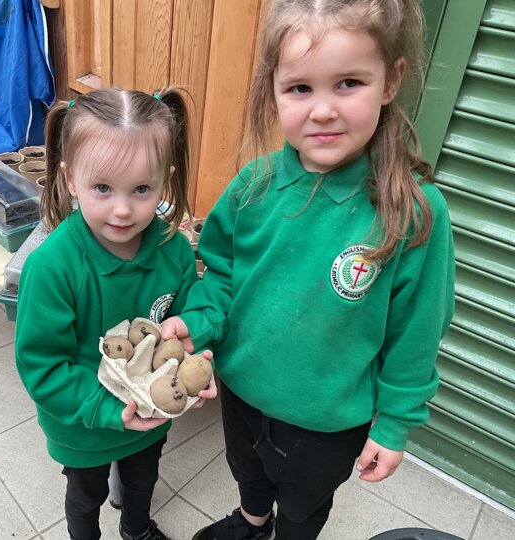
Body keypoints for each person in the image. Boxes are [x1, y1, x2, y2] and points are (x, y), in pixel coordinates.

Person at [161, 1, 456, 539]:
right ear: (272, 90)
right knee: (247, 471)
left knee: (303, 507)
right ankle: (253, 521)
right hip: (241, 390)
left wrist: (394, 423)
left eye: (348, 83)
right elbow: (221, 276)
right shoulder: (253, 185)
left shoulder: (413, 211)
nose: (322, 111)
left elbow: (416, 332)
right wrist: (197, 323)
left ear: (390, 81)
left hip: (327, 422)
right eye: (300, 88)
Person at [14, 87, 200, 540]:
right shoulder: (52, 267)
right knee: (85, 497)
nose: (122, 209)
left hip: (151, 417)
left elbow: (187, 316)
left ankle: (136, 529)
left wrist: (195, 351)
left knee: (142, 482)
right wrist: (111, 409)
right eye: (102, 188)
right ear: (70, 179)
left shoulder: (174, 250)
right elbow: (43, 367)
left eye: (141, 189)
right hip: (82, 423)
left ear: (165, 182)